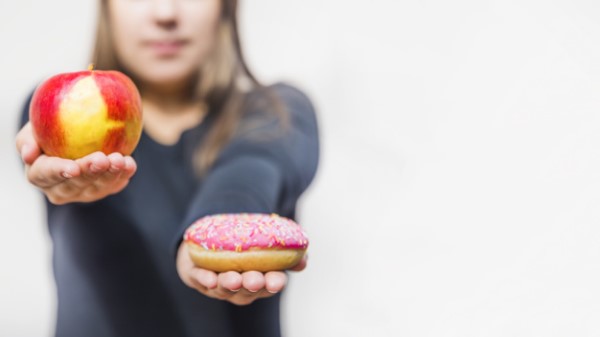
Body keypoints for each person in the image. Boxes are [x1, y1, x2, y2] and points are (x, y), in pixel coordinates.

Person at [15, 0, 319, 336]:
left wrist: (214, 234)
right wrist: (59, 158)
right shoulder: (54, 112)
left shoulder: (279, 112)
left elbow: (251, 170)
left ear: (226, 7)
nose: (165, 14)